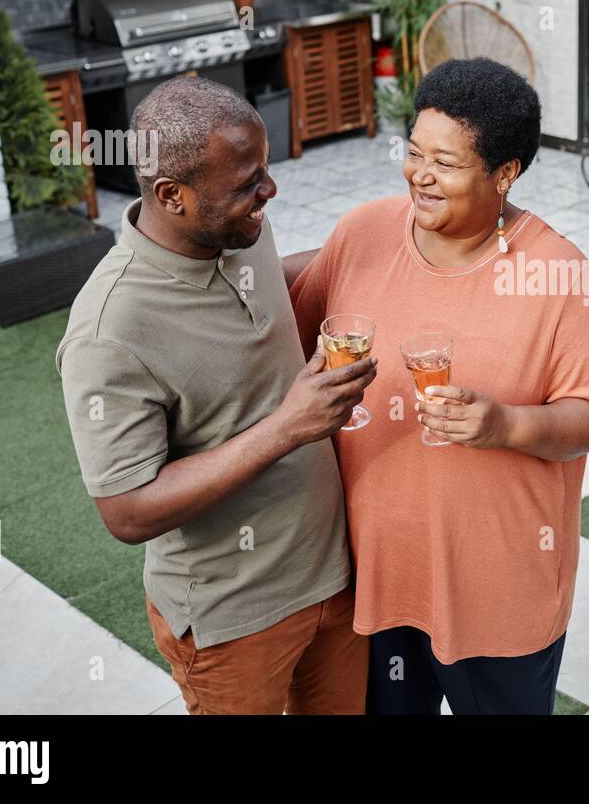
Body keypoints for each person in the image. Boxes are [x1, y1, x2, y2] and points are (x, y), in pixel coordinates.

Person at [287, 58, 589, 715]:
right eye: (415, 153)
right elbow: (287, 319)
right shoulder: (364, 233)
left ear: (503, 174)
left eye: (445, 164)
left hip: (497, 595)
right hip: (377, 580)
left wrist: (506, 425)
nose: (419, 175)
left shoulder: (558, 277)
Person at [56, 76, 376, 714]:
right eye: (247, 183)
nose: (270, 191)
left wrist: (361, 255)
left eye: (264, 168)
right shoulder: (110, 333)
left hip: (337, 581)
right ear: (172, 195)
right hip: (234, 624)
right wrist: (289, 426)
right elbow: (127, 511)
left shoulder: (238, 231)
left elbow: (265, 288)